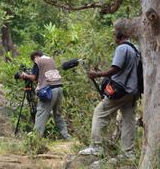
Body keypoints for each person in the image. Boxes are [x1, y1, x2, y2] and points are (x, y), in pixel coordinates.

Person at [79, 28, 140, 158]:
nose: (113, 37)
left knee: (99, 113)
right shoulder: (135, 48)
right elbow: (126, 70)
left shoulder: (122, 48)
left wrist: (97, 74)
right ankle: (128, 153)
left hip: (120, 90)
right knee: (128, 120)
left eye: (114, 34)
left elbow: (115, 69)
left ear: (119, 35)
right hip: (132, 91)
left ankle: (96, 147)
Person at [19, 51, 71, 139]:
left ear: (36, 56)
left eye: (33, 60)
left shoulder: (38, 61)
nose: (34, 62)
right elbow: (44, 76)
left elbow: (33, 77)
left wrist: (24, 75)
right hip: (59, 88)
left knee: (41, 112)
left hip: (49, 90)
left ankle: (36, 137)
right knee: (58, 114)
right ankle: (66, 136)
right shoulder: (51, 60)